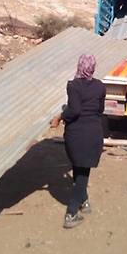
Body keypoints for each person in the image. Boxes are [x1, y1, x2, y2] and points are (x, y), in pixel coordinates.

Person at [50, 54, 106, 229]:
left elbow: (74, 110)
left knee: (79, 168)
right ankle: (72, 213)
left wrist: (60, 116)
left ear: (79, 66)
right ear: (93, 67)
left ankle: (83, 201)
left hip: (75, 135)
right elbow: (100, 110)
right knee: (83, 172)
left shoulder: (73, 86)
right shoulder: (100, 86)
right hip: (93, 134)